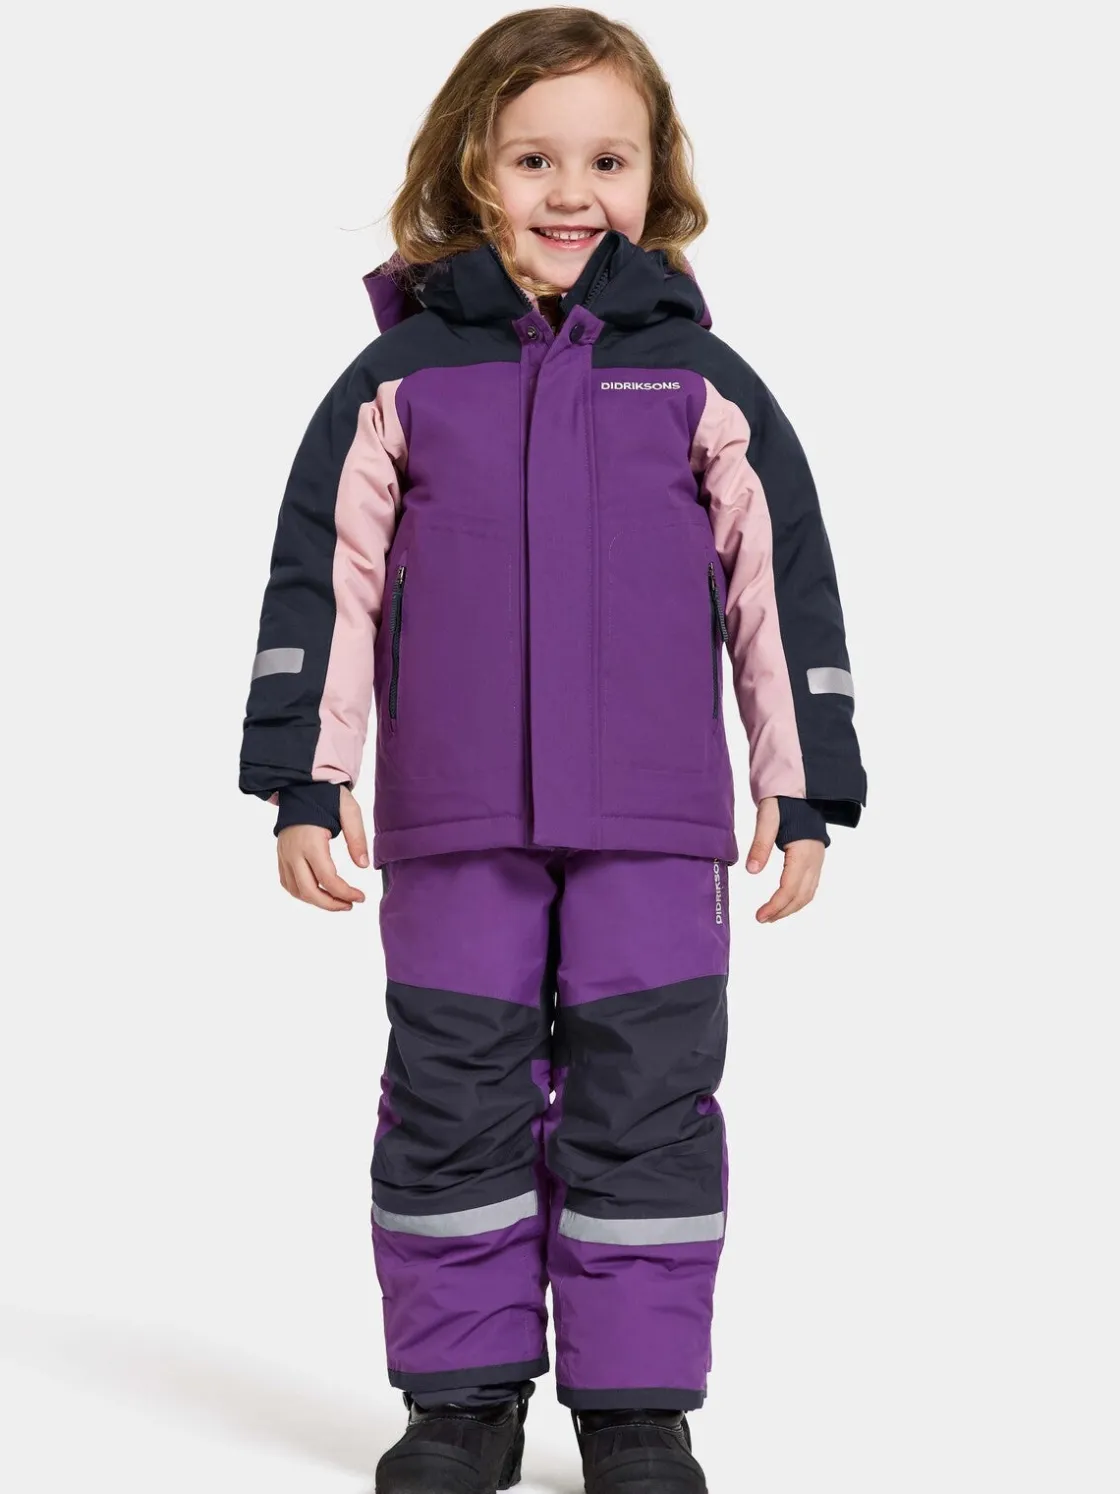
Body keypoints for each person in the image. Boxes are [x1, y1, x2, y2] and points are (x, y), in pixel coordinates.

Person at [239, 8, 866, 1491]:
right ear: (471, 168)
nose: (572, 191)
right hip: (456, 821)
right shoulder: (400, 378)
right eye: (533, 159)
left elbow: (783, 586)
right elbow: (327, 577)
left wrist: (803, 783)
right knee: (452, 1092)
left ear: (657, 177)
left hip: (656, 826)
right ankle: (461, 1400)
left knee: (647, 1099)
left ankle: (637, 1405)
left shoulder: (703, 379)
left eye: (607, 159)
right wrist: (306, 775)